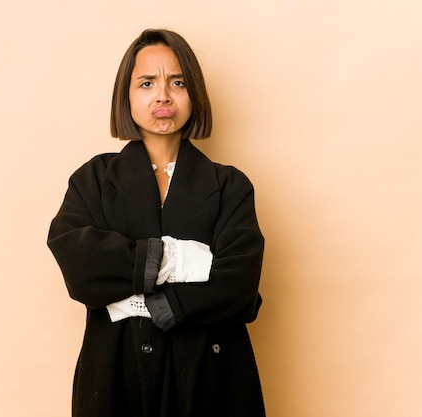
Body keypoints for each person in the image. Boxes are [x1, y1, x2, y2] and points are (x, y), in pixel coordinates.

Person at [47, 28, 266, 417]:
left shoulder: (230, 185)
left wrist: (145, 299)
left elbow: (239, 285)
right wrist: (181, 260)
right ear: (126, 96)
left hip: (213, 377)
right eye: (146, 83)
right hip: (116, 375)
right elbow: (82, 270)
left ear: (194, 94)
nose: (162, 95)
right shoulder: (93, 181)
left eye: (177, 82)